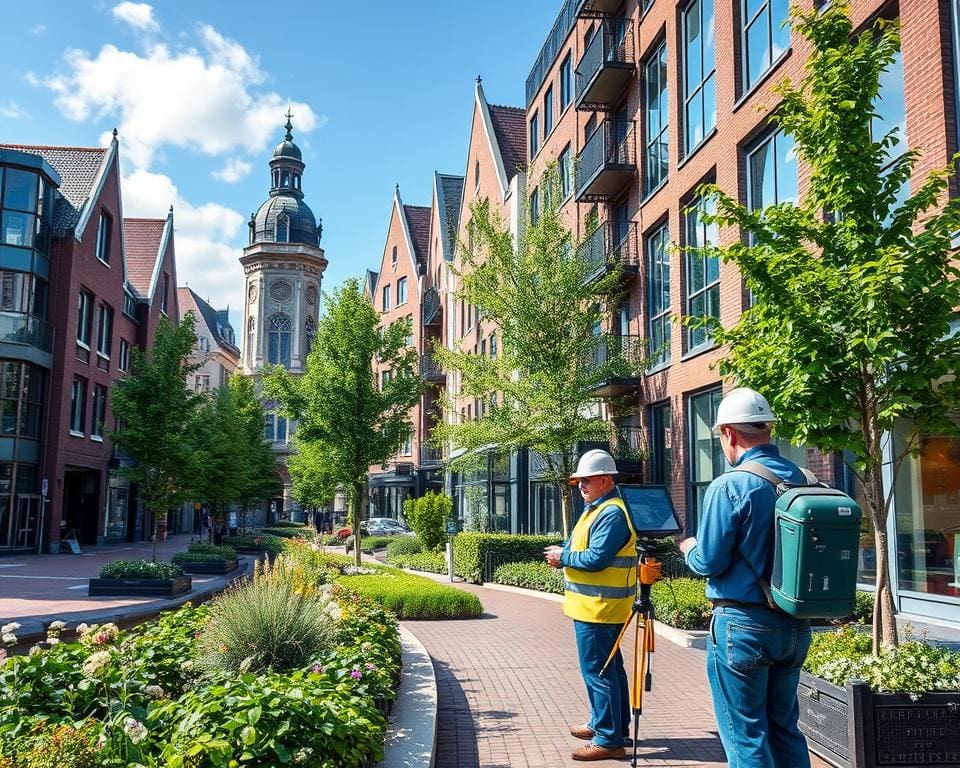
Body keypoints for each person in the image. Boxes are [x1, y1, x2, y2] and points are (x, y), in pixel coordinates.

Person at [679, 387, 812, 768]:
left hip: (742, 626)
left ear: (729, 434)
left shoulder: (730, 485)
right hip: (794, 626)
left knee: (745, 736)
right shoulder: (803, 477)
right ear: (767, 430)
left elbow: (710, 562)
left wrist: (688, 547)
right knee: (785, 728)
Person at [544, 449, 637, 762]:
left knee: (598, 671)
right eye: (578, 481)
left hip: (599, 608)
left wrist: (563, 557)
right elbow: (580, 546)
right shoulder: (595, 508)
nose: (580, 485)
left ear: (606, 479)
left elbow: (597, 559)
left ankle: (609, 739)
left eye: (586, 480)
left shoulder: (611, 512)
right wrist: (565, 552)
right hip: (594, 606)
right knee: (610, 670)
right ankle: (609, 725)